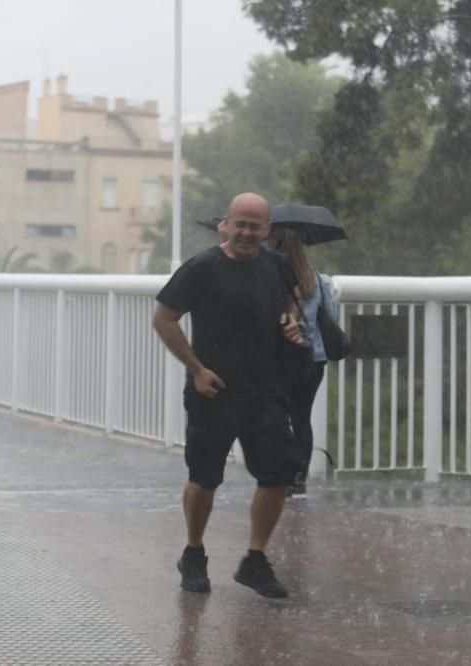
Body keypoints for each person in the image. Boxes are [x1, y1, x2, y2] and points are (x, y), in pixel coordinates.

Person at [152, 192, 306, 599]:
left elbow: (292, 302)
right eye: (240, 224)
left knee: (277, 476)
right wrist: (197, 370)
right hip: (213, 390)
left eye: (255, 226)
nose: (247, 232)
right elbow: (163, 318)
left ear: (266, 230)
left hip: (266, 389)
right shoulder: (203, 267)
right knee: (204, 478)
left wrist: (291, 321)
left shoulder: (277, 264)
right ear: (227, 224)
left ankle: (255, 561)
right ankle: (194, 553)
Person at [267, 225, 339, 497]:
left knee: (279, 416)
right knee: (301, 417)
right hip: (315, 357)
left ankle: (283, 473)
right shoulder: (316, 279)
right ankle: (299, 479)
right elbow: (331, 313)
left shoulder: (277, 278)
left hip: (286, 358)